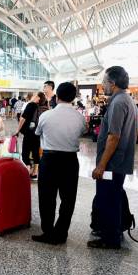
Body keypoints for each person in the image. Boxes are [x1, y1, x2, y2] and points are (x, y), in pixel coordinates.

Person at [88, 66, 138, 250]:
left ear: (113, 83)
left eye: (104, 82)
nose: (102, 86)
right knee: (113, 197)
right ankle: (111, 232)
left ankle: (110, 239)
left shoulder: (118, 103)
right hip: (118, 161)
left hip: (112, 163)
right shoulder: (127, 100)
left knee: (108, 199)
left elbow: (114, 136)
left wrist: (101, 166)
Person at [32, 82, 86, 245]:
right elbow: (82, 132)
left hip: (49, 159)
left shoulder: (46, 116)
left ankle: (48, 232)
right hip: (70, 160)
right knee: (68, 198)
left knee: (46, 197)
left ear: (57, 96)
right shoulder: (79, 117)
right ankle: (61, 233)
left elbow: (38, 133)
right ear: (73, 97)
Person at [15, 92, 48, 179]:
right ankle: (35, 172)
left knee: (25, 152)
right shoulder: (45, 108)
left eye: (35, 95)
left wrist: (17, 130)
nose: (33, 97)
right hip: (39, 133)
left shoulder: (31, 105)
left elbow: (22, 119)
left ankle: (28, 170)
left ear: (38, 98)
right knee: (35, 151)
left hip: (29, 133)